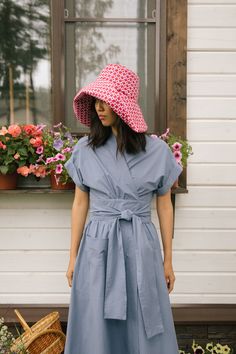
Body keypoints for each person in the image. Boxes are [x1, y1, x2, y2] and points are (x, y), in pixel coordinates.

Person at [63, 63, 182, 354]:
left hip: (141, 244)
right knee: (96, 318)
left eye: (106, 101)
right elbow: (80, 203)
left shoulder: (158, 152)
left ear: (123, 106)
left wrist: (168, 259)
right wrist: (72, 256)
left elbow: (164, 205)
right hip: (98, 246)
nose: (99, 108)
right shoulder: (85, 150)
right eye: (96, 101)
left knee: (143, 312)